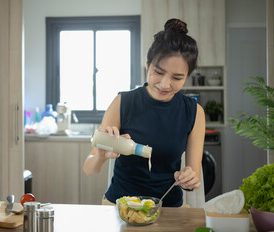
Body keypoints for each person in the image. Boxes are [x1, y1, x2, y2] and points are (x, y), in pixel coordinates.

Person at [83, 18, 205, 207]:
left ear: (187, 76)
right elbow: (89, 169)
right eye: (158, 72)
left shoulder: (194, 112)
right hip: (120, 208)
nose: (165, 84)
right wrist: (100, 155)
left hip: (168, 208)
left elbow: (193, 177)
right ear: (147, 63)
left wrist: (189, 178)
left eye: (177, 78)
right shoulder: (123, 102)